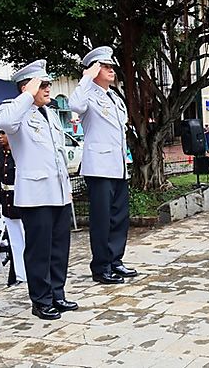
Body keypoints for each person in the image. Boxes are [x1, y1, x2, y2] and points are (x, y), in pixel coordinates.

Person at [0, 59, 77, 320]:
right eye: (42, 85)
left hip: (58, 191)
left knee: (59, 247)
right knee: (39, 250)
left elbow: (58, 154)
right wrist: (27, 96)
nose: (47, 89)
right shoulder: (14, 110)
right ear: (26, 88)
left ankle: (57, 293)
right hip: (35, 195)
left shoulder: (50, 113)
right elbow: (5, 123)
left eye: (47, 84)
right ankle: (40, 300)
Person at [70, 46, 137, 285]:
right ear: (95, 69)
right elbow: (75, 106)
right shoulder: (87, 94)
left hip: (118, 166)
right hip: (98, 167)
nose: (111, 70)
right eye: (105, 66)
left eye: (110, 66)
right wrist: (86, 78)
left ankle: (115, 260)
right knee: (102, 219)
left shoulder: (114, 97)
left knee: (119, 217)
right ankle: (101, 266)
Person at [0, 129, 26, 286]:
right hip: (7, 201)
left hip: (21, 199)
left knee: (27, 238)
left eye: (3, 133)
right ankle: (20, 275)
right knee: (14, 242)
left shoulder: (20, 152)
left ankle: (30, 272)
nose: (0, 137)